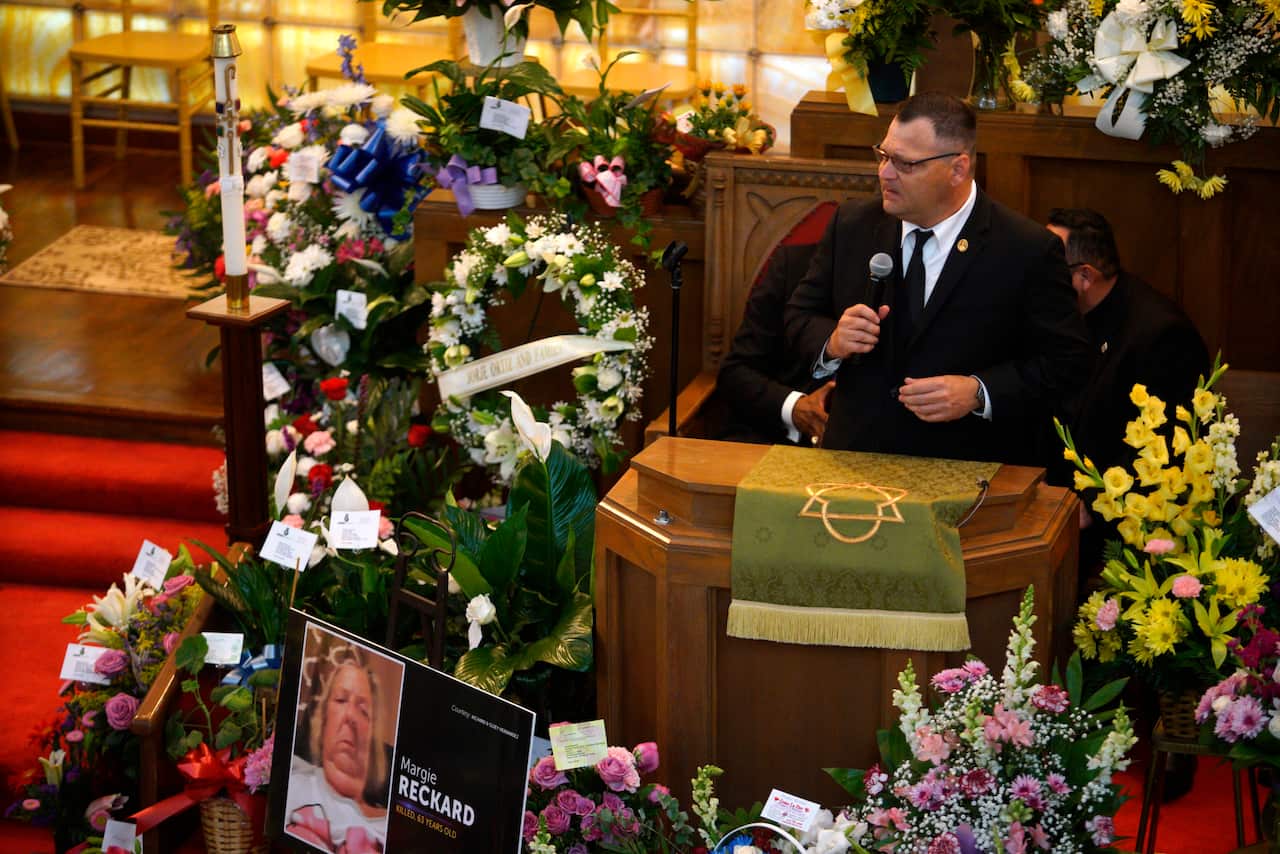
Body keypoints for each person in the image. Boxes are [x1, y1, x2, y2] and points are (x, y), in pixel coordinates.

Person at [784, 93, 1091, 466]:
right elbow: (800, 316)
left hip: (966, 465)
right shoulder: (852, 226)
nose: (885, 173)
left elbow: (1067, 363)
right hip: (855, 460)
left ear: (958, 169)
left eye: (905, 164)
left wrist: (979, 392)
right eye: (883, 156)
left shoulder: (1026, 249)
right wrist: (832, 342)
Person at [1046, 207, 1209, 485]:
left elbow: (1168, 441)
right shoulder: (1062, 312)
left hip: (1115, 506)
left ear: (1085, 276)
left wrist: (1094, 502)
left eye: (1048, 266)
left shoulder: (1162, 335)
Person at [715, 243, 835, 445]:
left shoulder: (901, 276)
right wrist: (794, 407)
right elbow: (736, 372)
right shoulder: (794, 265)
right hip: (774, 436)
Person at [285, 646, 389, 854]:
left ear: (373, 739)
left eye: (363, 710)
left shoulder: (393, 827)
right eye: (341, 700)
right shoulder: (292, 779)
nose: (350, 716)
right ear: (323, 720)